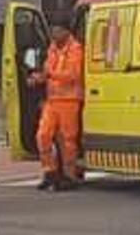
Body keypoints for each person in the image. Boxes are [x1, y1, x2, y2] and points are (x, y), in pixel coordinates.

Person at [28, 17, 84, 191]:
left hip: (69, 100)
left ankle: (69, 175)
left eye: (56, 30)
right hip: (52, 100)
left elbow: (73, 75)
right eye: (52, 30)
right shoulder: (52, 49)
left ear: (66, 31)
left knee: (68, 140)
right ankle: (50, 172)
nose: (53, 33)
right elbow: (47, 71)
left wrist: (50, 74)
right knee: (42, 136)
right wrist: (38, 78)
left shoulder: (76, 49)